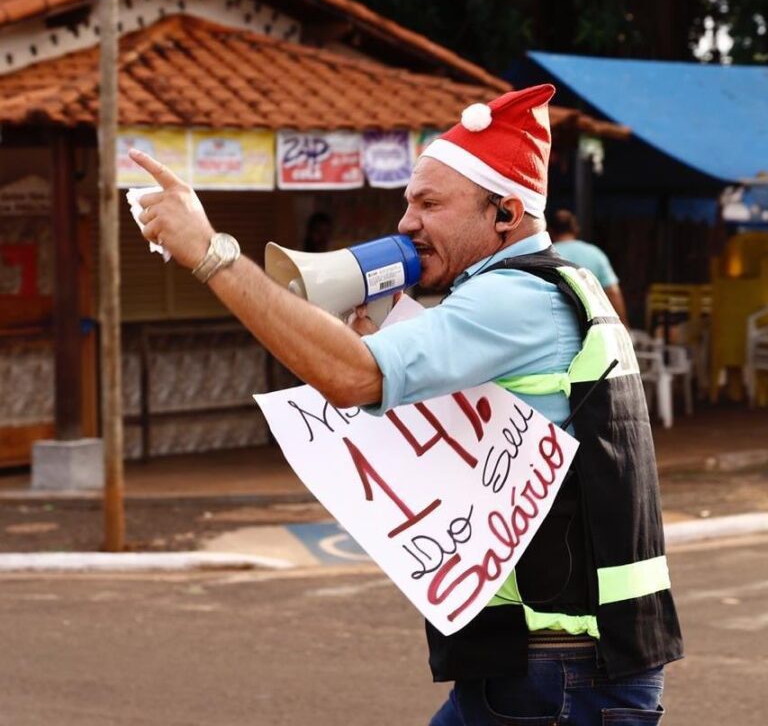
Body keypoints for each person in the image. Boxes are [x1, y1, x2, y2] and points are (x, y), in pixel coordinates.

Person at [129, 83, 682, 725]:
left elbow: (352, 378)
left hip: (559, 672)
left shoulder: (513, 298)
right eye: (409, 202)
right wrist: (378, 343)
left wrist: (211, 254)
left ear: (505, 213)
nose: (406, 222)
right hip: (558, 661)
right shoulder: (561, 286)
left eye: (429, 203)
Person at [549, 208, 629, 325]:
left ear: (550, 231)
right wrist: (624, 325)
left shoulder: (545, 256)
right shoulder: (595, 253)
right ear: (576, 229)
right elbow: (613, 292)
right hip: (594, 327)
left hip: (557, 325)